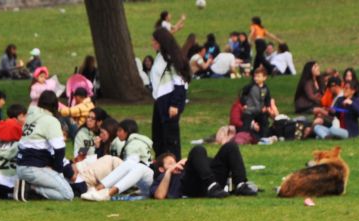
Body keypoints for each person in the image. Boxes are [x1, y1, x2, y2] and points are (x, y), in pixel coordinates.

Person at [15, 91, 72, 201]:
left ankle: (27, 186)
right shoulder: (50, 120)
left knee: (61, 185)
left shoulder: (30, 116)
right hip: (34, 168)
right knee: (67, 194)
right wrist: (58, 170)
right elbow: (59, 150)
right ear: (55, 105)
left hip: (21, 166)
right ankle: (30, 188)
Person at [149, 144, 258, 200]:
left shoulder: (182, 167)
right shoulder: (162, 177)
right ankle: (212, 187)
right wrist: (169, 172)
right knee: (198, 149)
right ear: (161, 169)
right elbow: (159, 196)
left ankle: (240, 185)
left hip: (208, 179)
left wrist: (190, 161)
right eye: (170, 163)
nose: (175, 165)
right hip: (191, 186)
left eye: (175, 162)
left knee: (230, 146)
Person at [81, 119, 154, 201]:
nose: (117, 133)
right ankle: (98, 189)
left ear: (127, 132)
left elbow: (127, 165)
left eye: (120, 131)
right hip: (141, 178)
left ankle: (102, 191)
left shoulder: (129, 144)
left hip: (141, 178)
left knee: (122, 162)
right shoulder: (132, 142)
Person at [150, 28, 191, 160]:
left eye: (154, 40)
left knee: (170, 139)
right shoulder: (160, 56)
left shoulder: (170, 59)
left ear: (161, 42)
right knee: (158, 137)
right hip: (159, 101)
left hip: (169, 103)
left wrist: (175, 104)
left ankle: (174, 165)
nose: (152, 43)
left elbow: (180, 83)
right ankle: (161, 165)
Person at [240, 67, 278, 138]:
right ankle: (243, 137)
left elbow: (267, 98)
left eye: (258, 76)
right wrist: (244, 103)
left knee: (264, 122)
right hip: (250, 110)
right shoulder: (250, 86)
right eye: (255, 76)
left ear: (264, 78)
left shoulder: (265, 88)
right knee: (246, 124)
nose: (256, 78)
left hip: (260, 110)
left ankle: (263, 137)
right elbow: (242, 94)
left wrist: (266, 106)